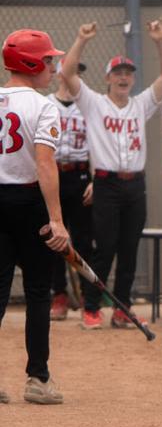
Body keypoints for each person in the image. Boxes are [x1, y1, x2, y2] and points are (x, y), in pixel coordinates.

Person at [60, 20, 162, 330]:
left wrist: (160, 41)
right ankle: (92, 306)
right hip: (107, 184)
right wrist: (81, 39)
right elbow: (67, 73)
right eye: (118, 73)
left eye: (128, 73)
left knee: (129, 249)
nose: (124, 77)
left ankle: (122, 308)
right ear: (107, 78)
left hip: (135, 185)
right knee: (105, 248)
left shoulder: (140, 105)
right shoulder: (94, 103)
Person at [0, 28, 71, 405]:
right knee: (38, 292)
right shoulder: (43, 106)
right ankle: (37, 379)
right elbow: (45, 165)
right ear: (29, 64)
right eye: (47, 60)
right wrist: (57, 220)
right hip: (27, 203)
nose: (53, 66)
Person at [45, 62, 94, 321]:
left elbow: (100, 143)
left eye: (78, 72)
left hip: (81, 175)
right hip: (53, 173)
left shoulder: (87, 106)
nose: (75, 76)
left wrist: (95, 180)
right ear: (60, 74)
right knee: (55, 239)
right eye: (71, 71)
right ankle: (59, 294)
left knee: (84, 239)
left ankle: (88, 295)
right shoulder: (46, 103)